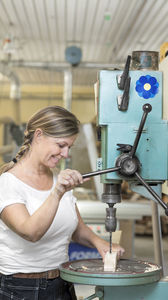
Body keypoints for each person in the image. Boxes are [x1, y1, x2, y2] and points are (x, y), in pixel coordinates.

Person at [0, 105, 124, 300]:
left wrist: (101, 244)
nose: (65, 154)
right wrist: (57, 192)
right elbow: (30, 232)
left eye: (69, 147)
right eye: (60, 145)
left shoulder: (59, 179)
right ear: (39, 136)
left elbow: (77, 229)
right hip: (22, 289)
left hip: (62, 284)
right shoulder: (8, 183)